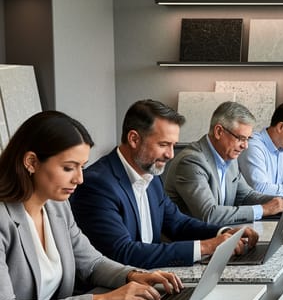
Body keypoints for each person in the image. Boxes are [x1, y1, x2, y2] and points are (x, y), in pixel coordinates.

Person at [0, 111, 182, 300]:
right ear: (31, 162)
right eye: (68, 168)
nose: (79, 179)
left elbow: (92, 263)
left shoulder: (57, 206)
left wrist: (132, 275)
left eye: (81, 167)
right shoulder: (3, 218)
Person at [70, 100, 258, 269]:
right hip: (114, 289)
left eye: (172, 145)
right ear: (134, 139)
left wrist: (224, 233)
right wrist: (206, 246)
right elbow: (123, 253)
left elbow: (177, 223)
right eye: (163, 144)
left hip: (151, 277)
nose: (170, 154)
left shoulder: (151, 176)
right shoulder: (97, 184)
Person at [164, 101, 283, 226]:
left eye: (248, 139)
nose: (245, 146)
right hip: (191, 243)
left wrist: (281, 200)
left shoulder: (229, 156)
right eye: (241, 138)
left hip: (219, 236)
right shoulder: (191, 161)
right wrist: (263, 209)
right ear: (219, 131)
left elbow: (246, 195)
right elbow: (209, 214)